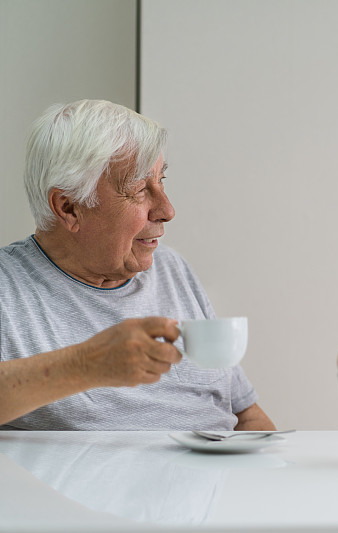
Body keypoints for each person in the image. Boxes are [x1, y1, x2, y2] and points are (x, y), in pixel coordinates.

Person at [0, 99, 275, 431]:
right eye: (140, 189)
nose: (167, 209)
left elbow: (247, 416)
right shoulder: (8, 287)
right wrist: (87, 364)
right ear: (69, 208)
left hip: (212, 482)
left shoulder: (172, 269)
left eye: (162, 181)